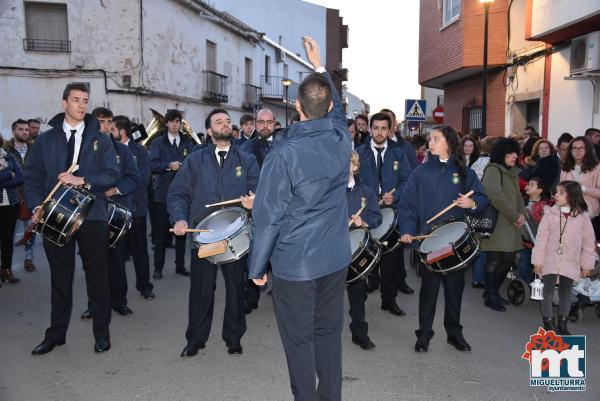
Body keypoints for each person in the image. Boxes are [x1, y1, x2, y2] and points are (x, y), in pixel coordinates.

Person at [248, 37, 352, 401]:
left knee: (298, 341)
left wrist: (257, 265)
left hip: (296, 265)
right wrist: (319, 65)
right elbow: (338, 109)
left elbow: (268, 216)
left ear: (296, 106)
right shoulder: (342, 137)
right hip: (335, 258)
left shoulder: (283, 152)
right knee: (328, 335)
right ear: (326, 106)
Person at [25, 82, 119, 354]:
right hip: (54, 216)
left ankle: (102, 334)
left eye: (85, 100)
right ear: (64, 103)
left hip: (92, 216)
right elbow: (31, 179)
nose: (81, 104)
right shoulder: (45, 140)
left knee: (97, 278)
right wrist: (35, 207)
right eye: (76, 99)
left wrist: (83, 180)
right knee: (60, 278)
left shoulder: (101, 139)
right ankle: (55, 335)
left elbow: (112, 173)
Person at [169, 108, 259, 357]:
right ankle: (196, 339)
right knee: (201, 290)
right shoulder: (195, 160)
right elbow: (179, 193)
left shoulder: (246, 160)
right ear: (209, 131)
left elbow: (257, 189)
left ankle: (233, 337)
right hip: (204, 235)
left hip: (235, 235)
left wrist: (254, 199)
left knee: (235, 289)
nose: (225, 124)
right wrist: (179, 217)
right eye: (219, 122)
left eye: (228, 121)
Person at [399, 125, 488, 353]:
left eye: (435, 139)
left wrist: (472, 204)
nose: (430, 143)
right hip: (429, 242)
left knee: (454, 291)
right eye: (429, 139)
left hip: (455, 242)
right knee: (429, 291)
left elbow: (481, 198)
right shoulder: (420, 172)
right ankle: (424, 334)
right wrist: (408, 229)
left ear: (448, 141)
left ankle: (454, 333)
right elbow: (407, 204)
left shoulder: (465, 172)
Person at [80, 108, 139, 319]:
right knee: (92, 263)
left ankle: (119, 301)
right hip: (89, 213)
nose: (104, 127)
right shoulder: (84, 149)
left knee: (116, 260)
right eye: (100, 122)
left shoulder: (122, 151)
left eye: (108, 122)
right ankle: (94, 304)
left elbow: (134, 178)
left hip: (116, 212)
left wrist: (116, 189)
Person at [355, 112, 412, 315]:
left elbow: (408, 181)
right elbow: (351, 183)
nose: (379, 132)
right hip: (366, 213)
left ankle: (389, 299)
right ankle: (358, 299)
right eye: (376, 128)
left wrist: (395, 198)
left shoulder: (399, 154)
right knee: (362, 255)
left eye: (383, 128)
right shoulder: (359, 153)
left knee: (389, 260)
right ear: (370, 129)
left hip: (391, 214)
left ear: (390, 130)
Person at [532, 181, 595, 335]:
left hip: (570, 262)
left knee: (566, 293)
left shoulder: (583, 218)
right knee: (547, 291)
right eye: (556, 192)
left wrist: (587, 264)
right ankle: (548, 324)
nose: (556, 195)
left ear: (572, 196)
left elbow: (588, 243)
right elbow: (541, 240)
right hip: (549, 260)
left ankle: (562, 324)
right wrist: (538, 261)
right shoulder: (550, 214)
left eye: (561, 193)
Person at [480, 138, 528, 312]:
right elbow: (494, 195)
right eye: (511, 153)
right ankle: (490, 294)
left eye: (516, 152)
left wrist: (522, 213)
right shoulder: (493, 170)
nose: (516, 156)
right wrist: (515, 215)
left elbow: (518, 196)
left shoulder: (513, 172)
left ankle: (491, 292)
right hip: (498, 222)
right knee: (495, 259)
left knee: (507, 259)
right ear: (502, 154)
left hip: (511, 222)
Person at [149, 109, 195, 279]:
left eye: (178, 121)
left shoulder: (187, 142)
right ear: (166, 123)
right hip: (163, 194)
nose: (175, 125)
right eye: (172, 121)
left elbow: (194, 163)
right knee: (161, 234)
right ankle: (158, 267)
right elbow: (152, 165)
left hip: (184, 194)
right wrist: (168, 165)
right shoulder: (157, 143)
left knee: (181, 232)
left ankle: (180, 265)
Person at [239, 108, 277, 314]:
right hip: (252, 209)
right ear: (255, 123)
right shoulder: (244, 147)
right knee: (252, 252)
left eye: (268, 122)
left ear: (274, 123)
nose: (264, 126)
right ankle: (251, 296)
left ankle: (281, 295)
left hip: (279, 209)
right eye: (260, 122)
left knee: (278, 254)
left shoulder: (285, 146)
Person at [116, 115, 155, 300]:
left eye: (112, 129)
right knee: (115, 254)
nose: (109, 132)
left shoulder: (140, 151)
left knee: (140, 250)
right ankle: (118, 295)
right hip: (113, 210)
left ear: (122, 132)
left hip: (136, 208)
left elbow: (142, 180)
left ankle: (144, 286)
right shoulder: (108, 149)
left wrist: (116, 188)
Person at [346, 151, 382, 350]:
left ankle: (359, 333)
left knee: (358, 295)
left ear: (356, 166)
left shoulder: (367, 192)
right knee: (327, 296)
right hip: (331, 250)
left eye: (349, 162)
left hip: (357, 249)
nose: (345, 166)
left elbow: (377, 217)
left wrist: (363, 221)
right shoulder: (328, 192)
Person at [6, 119, 37, 272]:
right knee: (8, 232)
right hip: (11, 195)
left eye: (26, 129)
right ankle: (6, 264)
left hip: (31, 195)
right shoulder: (6, 150)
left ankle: (28, 259)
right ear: (13, 132)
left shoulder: (35, 149)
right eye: (21, 129)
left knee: (30, 229)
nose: (25, 132)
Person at [559, 136, 600, 238]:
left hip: (590, 214)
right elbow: (560, 191)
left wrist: (582, 188)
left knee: (588, 248)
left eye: (581, 148)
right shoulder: (565, 168)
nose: (578, 151)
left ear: (587, 150)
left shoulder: (596, 168)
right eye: (574, 148)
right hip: (568, 213)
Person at [0, 136, 24, 286]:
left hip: (11, 204)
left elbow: (21, 177)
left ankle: (6, 269)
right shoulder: (9, 164)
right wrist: (9, 174)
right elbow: (14, 175)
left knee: (7, 239)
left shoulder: (8, 156)